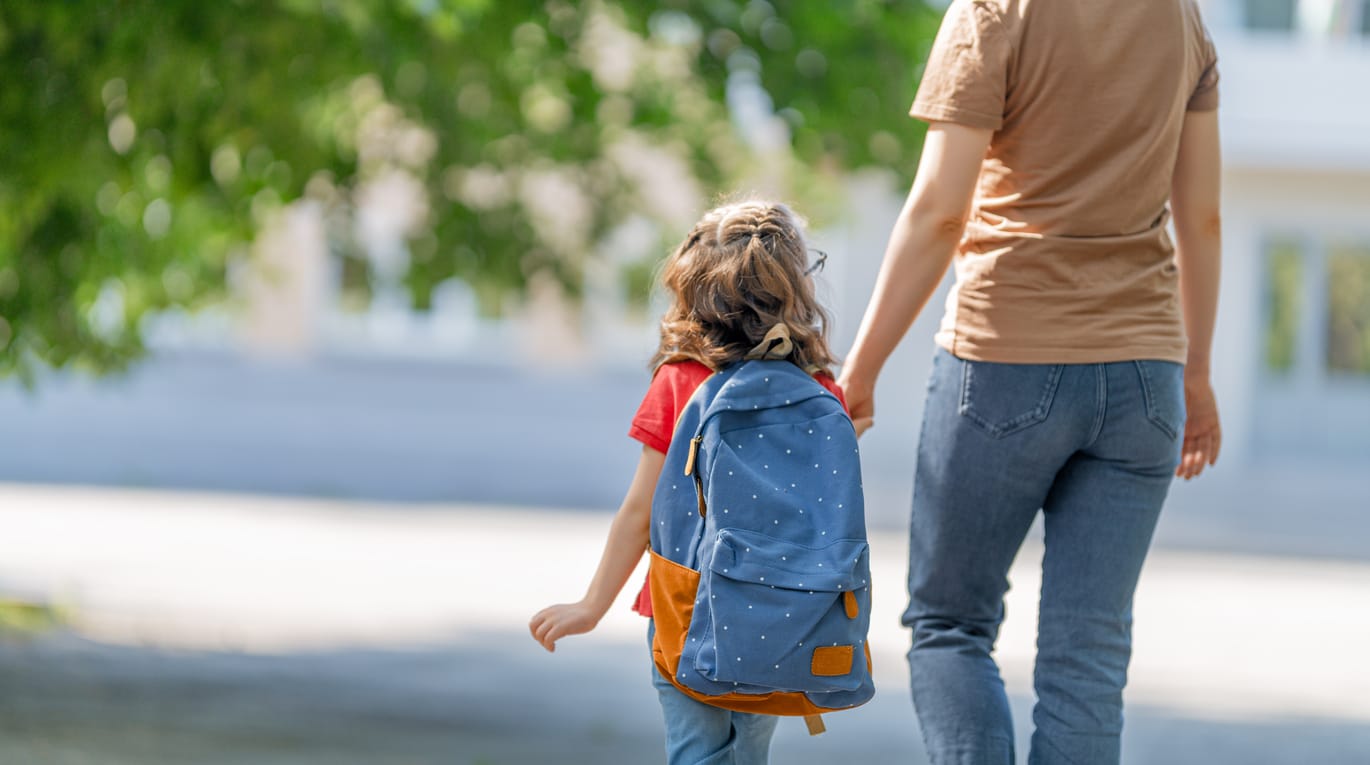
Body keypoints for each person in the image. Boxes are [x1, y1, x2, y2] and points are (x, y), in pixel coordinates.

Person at [836, 1, 1224, 763]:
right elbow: (1202, 216)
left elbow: (940, 212)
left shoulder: (993, 12)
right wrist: (1198, 374)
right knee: (1089, 659)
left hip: (1005, 357)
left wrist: (862, 367)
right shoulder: (1180, 16)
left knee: (951, 623)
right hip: (1146, 374)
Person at [530, 199, 857, 765]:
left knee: (696, 753)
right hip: (784, 612)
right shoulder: (821, 388)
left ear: (695, 288)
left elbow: (642, 512)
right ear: (794, 290)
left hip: (683, 607)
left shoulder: (682, 380)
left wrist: (592, 604)